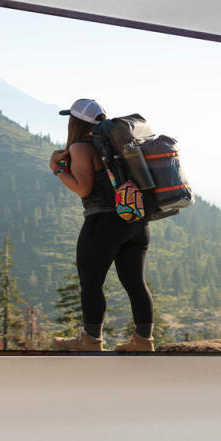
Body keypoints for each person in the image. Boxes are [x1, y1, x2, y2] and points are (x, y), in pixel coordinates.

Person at [49, 97, 153, 351]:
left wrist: (57, 169)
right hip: (136, 221)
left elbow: (83, 189)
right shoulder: (119, 144)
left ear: (75, 121)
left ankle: (91, 339)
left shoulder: (81, 148)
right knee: (135, 282)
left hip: (103, 223)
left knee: (91, 282)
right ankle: (143, 340)